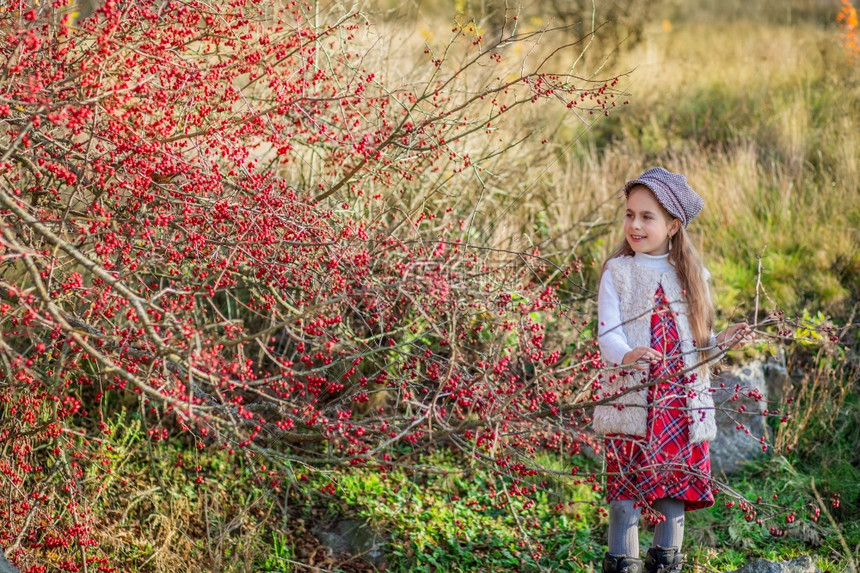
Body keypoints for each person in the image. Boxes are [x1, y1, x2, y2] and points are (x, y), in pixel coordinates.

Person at [594, 167, 753, 573]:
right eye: (630, 214)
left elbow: (700, 350)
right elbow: (608, 335)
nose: (635, 224)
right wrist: (629, 355)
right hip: (632, 402)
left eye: (647, 217)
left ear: (673, 225)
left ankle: (666, 564)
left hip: (680, 406)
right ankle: (623, 563)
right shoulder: (618, 272)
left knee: (673, 491)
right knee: (625, 495)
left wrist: (723, 342)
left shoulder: (691, 276)